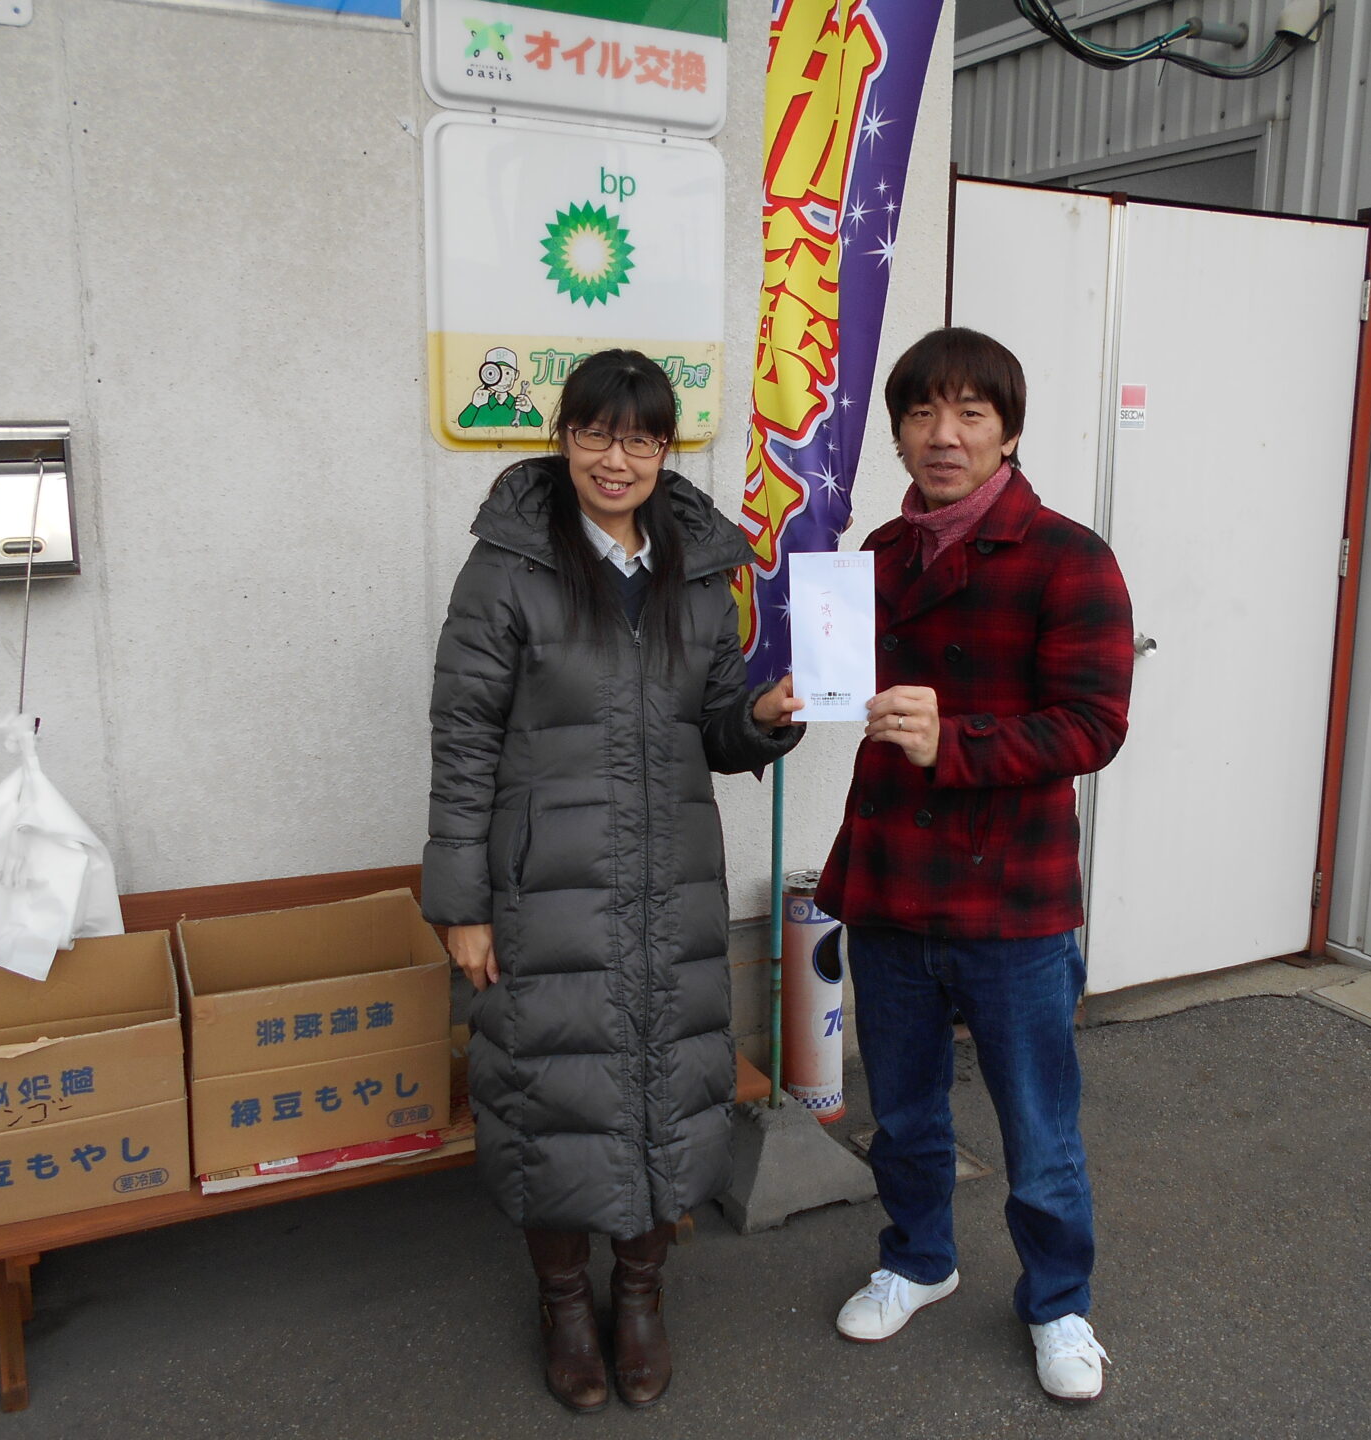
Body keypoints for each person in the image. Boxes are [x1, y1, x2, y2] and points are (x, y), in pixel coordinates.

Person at [422, 349, 804, 1412]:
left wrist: (763, 719)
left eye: (640, 437)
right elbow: (463, 740)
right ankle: (562, 1304)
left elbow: (714, 728)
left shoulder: (697, 569)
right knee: (555, 1095)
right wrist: (461, 906)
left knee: (662, 1092)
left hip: (671, 885)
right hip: (547, 888)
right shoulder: (509, 567)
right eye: (595, 433)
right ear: (565, 437)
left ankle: (640, 1297)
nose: (615, 458)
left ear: (665, 447)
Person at [815, 327, 1133, 1402]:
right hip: (893, 883)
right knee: (904, 1111)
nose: (942, 436)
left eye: (969, 414)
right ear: (899, 431)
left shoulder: (1070, 556)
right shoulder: (875, 555)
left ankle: (1059, 1302)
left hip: (1013, 895)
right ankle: (919, 1259)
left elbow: (1093, 725)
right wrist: (786, 697)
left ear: (1008, 431)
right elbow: (839, 688)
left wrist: (954, 741)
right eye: (921, 413)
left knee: (1038, 1127)